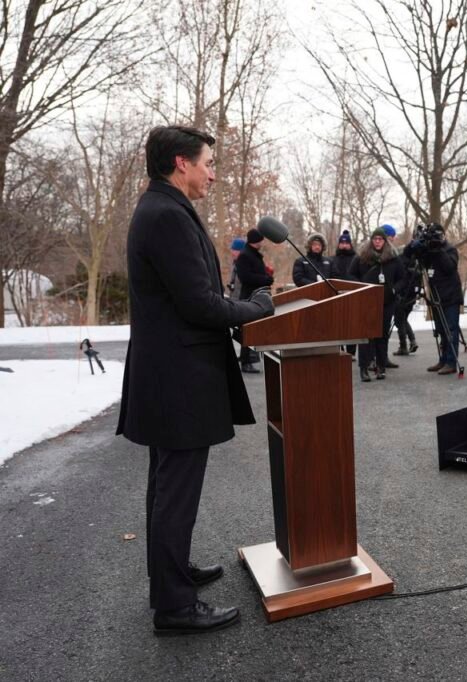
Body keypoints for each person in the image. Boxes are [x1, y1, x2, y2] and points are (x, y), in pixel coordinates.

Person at [117, 125, 275, 635]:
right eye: (208, 161)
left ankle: (172, 575)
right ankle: (174, 606)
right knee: (174, 491)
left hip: (169, 374)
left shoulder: (162, 208)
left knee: (167, 487)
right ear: (180, 163)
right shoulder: (164, 214)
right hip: (177, 379)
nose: (214, 171)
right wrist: (256, 309)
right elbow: (199, 303)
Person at [348, 227, 406, 381]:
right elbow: (351, 274)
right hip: (367, 301)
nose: (378, 242)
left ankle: (381, 366)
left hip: (386, 302)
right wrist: (361, 286)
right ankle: (364, 368)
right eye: (375, 239)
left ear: (385, 241)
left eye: (380, 239)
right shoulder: (362, 257)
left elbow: (402, 278)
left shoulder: (393, 258)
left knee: (382, 335)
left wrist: (394, 290)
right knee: (366, 336)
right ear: (371, 241)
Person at [409, 223, 462, 375]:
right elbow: (419, 263)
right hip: (436, 295)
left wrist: (438, 250)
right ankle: (443, 360)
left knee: (450, 329)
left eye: (438, 236)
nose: (437, 239)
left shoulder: (450, 249)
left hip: (450, 297)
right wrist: (421, 249)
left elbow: (449, 267)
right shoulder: (430, 252)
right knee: (441, 330)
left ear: (444, 235)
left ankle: (451, 363)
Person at [234, 227, 275, 373]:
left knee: (253, 328)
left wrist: (267, 275)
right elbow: (246, 277)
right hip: (249, 296)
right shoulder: (245, 256)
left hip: (257, 294)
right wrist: (265, 279)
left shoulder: (254, 255)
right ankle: (246, 361)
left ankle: (250, 358)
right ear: (254, 241)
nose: (262, 243)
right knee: (248, 329)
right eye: (260, 240)